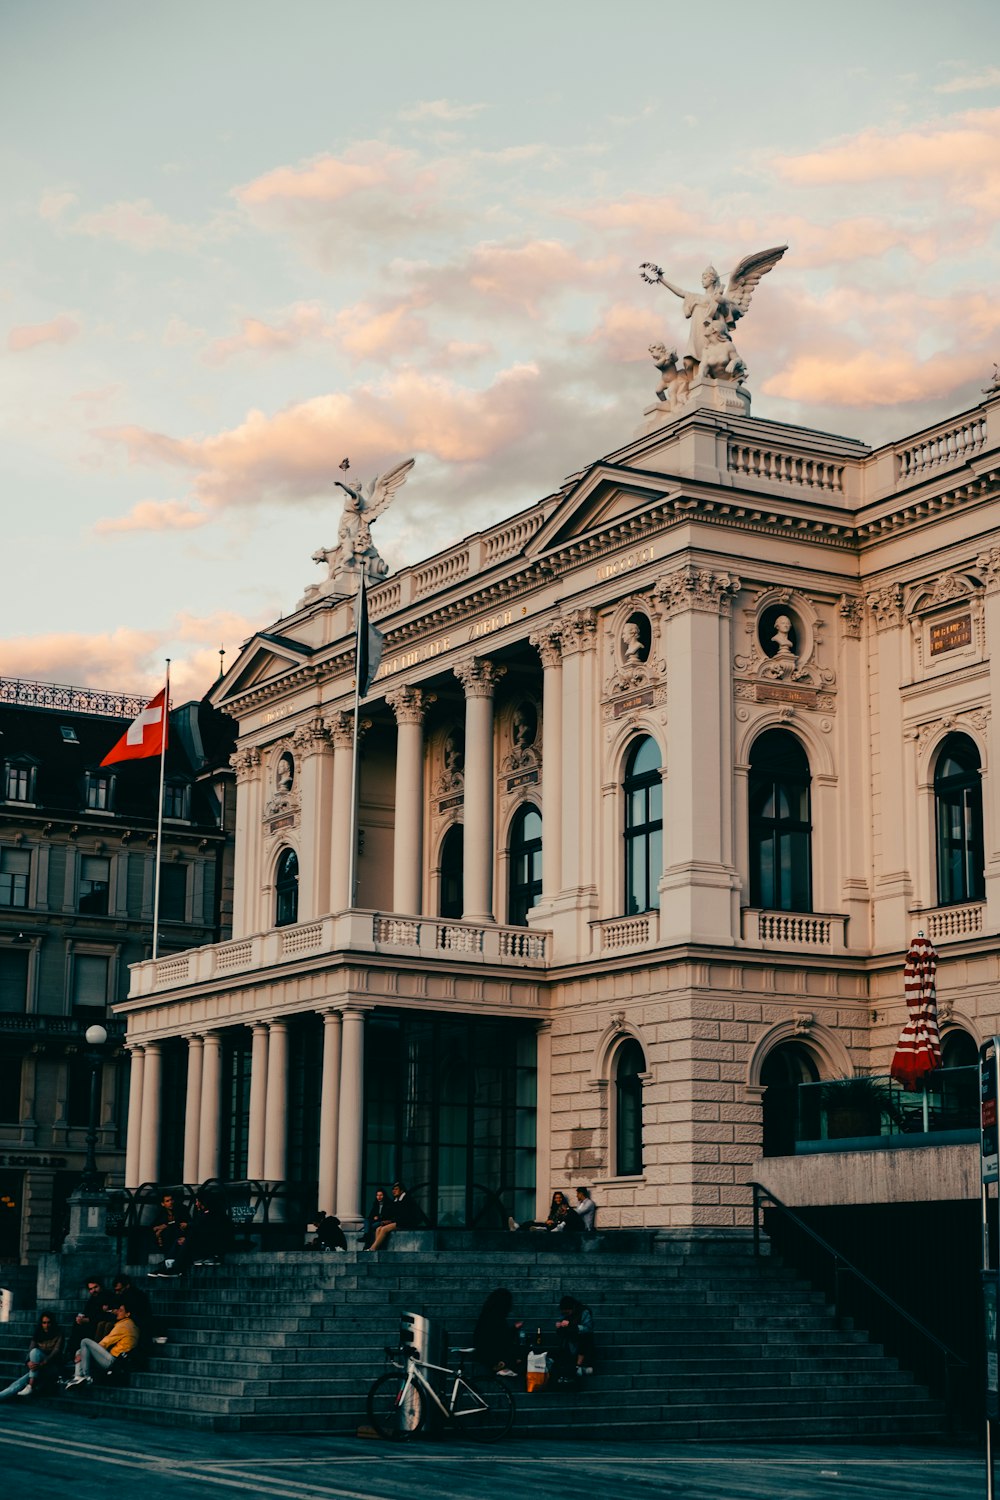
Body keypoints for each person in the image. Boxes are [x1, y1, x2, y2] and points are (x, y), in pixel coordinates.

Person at [65, 1301, 140, 1388]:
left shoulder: (123, 1325)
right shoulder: (133, 1326)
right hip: (121, 1361)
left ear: (127, 1314)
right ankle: (77, 1377)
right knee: (80, 1351)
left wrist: (84, 1353)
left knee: (85, 1342)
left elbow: (106, 1342)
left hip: (114, 1362)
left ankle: (86, 1376)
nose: (117, 1312)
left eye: (120, 1310)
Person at [0, 1314, 64, 1400]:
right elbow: (31, 1350)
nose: (46, 1325)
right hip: (38, 1367)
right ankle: (29, 1385)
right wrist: (28, 1362)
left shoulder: (59, 1334)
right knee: (19, 1382)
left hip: (52, 1367)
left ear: (52, 1323)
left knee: (24, 1379)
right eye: (44, 1323)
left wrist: (42, 1364)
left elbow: (56, 1352)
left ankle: (30, 1385)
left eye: (49, 1322)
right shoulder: (38, 1333)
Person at [472, 1288, 523, 1377]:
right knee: (518, 1352)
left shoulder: (488, 1313)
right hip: (489, 1350)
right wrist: (515, 1328)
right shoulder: (496, 1317)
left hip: (484, 1348)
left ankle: (503, 1363)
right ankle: (501, 1364)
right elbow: (502, 1336)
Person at [66, 1275, 114, 1361]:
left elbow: (108, 1315)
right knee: (77, 1325)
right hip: (90, 1324)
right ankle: (72, 1353)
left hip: (100, 1324)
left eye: (95, 1287)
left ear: (101, 1286)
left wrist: (88, 1320)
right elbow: (86, 1312)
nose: (93, 1290)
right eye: (91, 1289)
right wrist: (81, 1318)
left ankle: (77, 1353)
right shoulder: (93, 1298)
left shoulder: (109, 1296)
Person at [367, 1181, 422, 1252]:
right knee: (378, 1228)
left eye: (396, 1189)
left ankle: (373, 1248)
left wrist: (391, 1221)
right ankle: (379, 1248)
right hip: (399, 1221)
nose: (393, 1191)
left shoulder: (407, 1199)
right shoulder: (396, 1200)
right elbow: (394, 1214)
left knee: (384, 1229)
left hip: (406, 1222)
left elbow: (405, 1215)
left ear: (401, 1190)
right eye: (393, 1189)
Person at [553, 1295, 595, 1382]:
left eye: (567, 1312)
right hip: (570, 1341)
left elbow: (588, 1329)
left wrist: (572, 1326)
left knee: (585, 1337)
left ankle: (578, 1365)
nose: (565, 1314)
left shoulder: (584, 1312)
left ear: (572, 1308)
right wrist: (559, 1326)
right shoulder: (565, 1314)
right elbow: (561, 1327)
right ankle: (571, 1368)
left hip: (581, 1341)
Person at [149, 1191, 189, 1277]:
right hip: (168, 1238)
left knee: (168, 1232)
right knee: (162, 1233)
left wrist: (165, 1226)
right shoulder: (162, 1213)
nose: (170, 1202)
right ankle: (165, 1266)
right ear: (163, 1204)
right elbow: (153, 1227)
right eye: (167, 1201)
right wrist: (159, 1229)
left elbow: (180, 1223)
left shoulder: (182, 1209)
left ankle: (165, 1266)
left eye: (171, 1200)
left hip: (181, 1235)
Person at [508, 1190, 580, 1233]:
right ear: (554, 1199)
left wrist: (553, 1222)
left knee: (534, 1225)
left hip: (555, 1226)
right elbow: (550, 1218)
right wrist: (548, 1221)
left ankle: (518, 1227)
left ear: (562, 1198)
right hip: (549, 1224)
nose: (558, 1199)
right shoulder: (554, 1208)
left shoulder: (564, 1206)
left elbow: (565, 1219)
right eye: (556, 1198)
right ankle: (517, 1226)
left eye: (560, 1197)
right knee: (530, 1222)